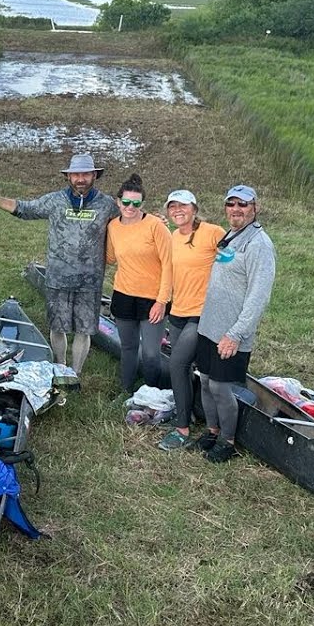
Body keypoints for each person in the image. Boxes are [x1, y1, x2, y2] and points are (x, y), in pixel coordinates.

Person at [0, 154, 118, 375]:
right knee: (57, 326)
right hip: (58, 278)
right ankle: (60, 367)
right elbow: (25, 209)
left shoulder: (107, 204)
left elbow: (130, 219)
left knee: (84, 330)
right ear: (68, 176)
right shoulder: (55, 200)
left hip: (90, 282)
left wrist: (153, 220)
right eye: (76, 174)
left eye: (86, 174)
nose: (81, 179)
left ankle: (75, 373)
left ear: (94, 175)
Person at [192, 185, 276, 463]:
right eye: (231, 204)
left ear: (255, 208)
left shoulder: (259, 245)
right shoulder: (231, 235)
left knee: (220, 387)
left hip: (231, 333)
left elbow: (258, 297)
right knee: (205, 381)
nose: (236, 209)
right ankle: (211, 431)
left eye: (243, 204)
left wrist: (236, 334)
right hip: (209, 326)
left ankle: (227, 441)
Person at [155, 190, 227, 451]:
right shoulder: (173, 237)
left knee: (177, 363)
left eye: (183, 205)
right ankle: (190, 410)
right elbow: (168, 273)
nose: (177, 210)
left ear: (194, 208)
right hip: (178, 311)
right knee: (184, 368)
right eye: (172, 206)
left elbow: (233, 264)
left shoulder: (213, 232)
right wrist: (161, 301)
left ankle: (182, 429)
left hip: (203, 313)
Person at [104, 173, 172, 395]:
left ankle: (152, 395)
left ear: (142, 204)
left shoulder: (156, 226)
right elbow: (110, 257)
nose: (130, 207)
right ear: (118, 201)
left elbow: (169, 264)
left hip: (152, 298)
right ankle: (126, 390)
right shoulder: (113, 226)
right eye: (126, 202)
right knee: (128, 347)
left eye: (136, 203)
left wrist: (162, 301)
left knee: (151, 353)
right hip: (123, 295)